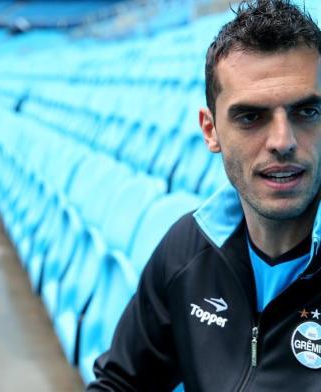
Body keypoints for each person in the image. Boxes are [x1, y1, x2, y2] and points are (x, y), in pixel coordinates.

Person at [86, 1, 321, 390]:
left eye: (307, 112)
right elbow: (120, 382)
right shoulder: (187, 249)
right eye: (251, 117)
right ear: (210, 130)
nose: (283, 142)